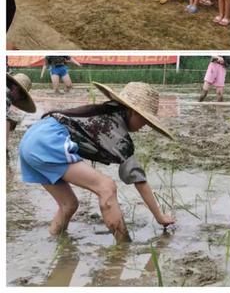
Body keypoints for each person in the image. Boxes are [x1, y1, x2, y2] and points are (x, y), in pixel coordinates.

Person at [18, 81, 175, 243]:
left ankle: (57, 244)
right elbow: (139, 180)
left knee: (69, 204)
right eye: (145, 121)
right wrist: (159, 216)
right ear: (134, 112)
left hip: (31, 138)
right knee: (106, 187)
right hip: (46, 141)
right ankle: (122, 248)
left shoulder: (105, 112)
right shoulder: (114, 129)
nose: (144, 126)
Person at [6, 72, 36, 158]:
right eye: (22, 95)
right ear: (15, 88)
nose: (19, 99)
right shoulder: (6, 95)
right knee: (6, 122)